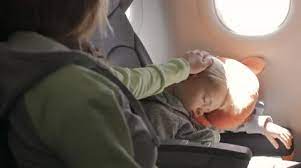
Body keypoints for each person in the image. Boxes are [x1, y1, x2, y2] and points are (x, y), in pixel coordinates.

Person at [0, 0, 214, 167]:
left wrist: (183, 67)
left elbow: (128, 82)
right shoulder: (77, 92)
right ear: (82, 12)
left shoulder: (22, 55)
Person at [142, 53, 293, 150]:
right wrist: (208, 140)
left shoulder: (191, 110)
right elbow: (164, 154)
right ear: (190, 75)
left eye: (208, 110)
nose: (202, 111)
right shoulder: (161, 113)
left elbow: (225, 124)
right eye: (205, 100)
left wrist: (262, 124)